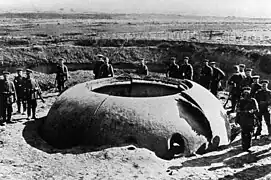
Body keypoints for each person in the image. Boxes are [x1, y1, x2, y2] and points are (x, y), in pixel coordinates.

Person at [236, 87, 259, 152]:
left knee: (249, 133)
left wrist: (251, 111)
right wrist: (237, 119)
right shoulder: (241, 101)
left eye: (247, 92)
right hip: (243, 119)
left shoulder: (253, 100)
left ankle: (248, 146)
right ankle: (244, 147)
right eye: (245, 92)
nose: (246, 94)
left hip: (250, 119)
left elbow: (256, 109)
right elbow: (237, 110)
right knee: (243, 133)